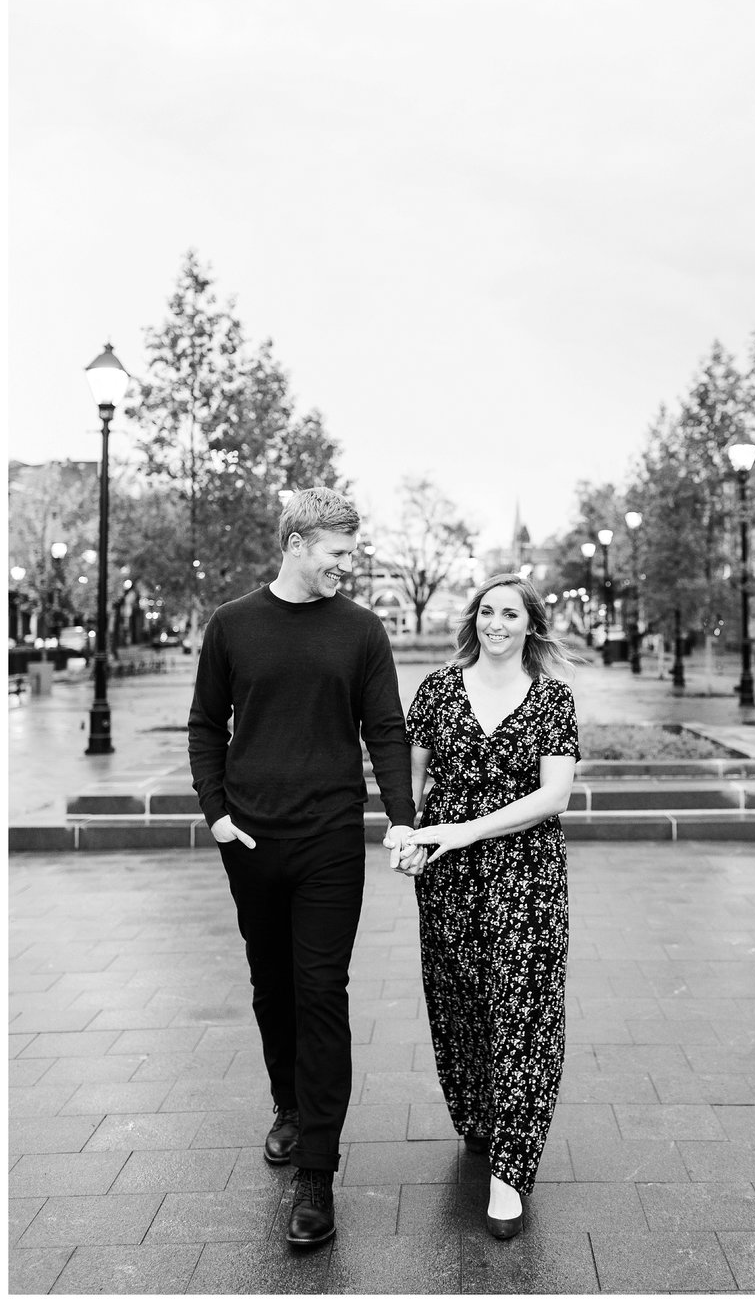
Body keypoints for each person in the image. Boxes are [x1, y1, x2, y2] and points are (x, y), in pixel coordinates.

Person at [188, 487, 421, 1249]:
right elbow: (204, 724)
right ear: (296, 542)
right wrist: (217, 813)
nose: (347, 568)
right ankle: (287, 1107)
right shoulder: (232, 625)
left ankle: (317, 1173)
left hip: (328, 840)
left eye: (352, 554)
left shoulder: (360, 632)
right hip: (251, 841)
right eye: (338, 554)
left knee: (321, 992)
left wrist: (402, 818)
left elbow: (385, 729)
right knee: (271, 985)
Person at [398, 572, 580, 1239]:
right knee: (462, 1001)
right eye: (486, 610)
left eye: (510, 612)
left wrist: (465, 829)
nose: (496, 622)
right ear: (473, 619)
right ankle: (479, 1116)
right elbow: (406, 779)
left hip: (527, 874)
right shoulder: (439, 690)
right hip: (447, 877)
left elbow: (553, 795)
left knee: (524, 1008)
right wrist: (407, 833)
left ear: (530, 624)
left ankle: (512, 1169)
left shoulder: (553, 700)